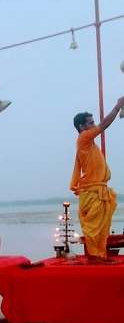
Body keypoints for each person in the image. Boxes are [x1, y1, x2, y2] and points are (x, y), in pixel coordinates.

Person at [70, 97, 124, 260]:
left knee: (101, 227)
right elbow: (104, 125)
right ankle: (95, 257)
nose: (94, 125)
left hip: (97, 190)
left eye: (93, 122)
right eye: (90, 123)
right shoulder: (84, 138)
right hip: (92, 191)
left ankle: (100, 255)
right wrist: (117, 107)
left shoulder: (89, 143)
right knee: (94, 228)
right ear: (82, 127)